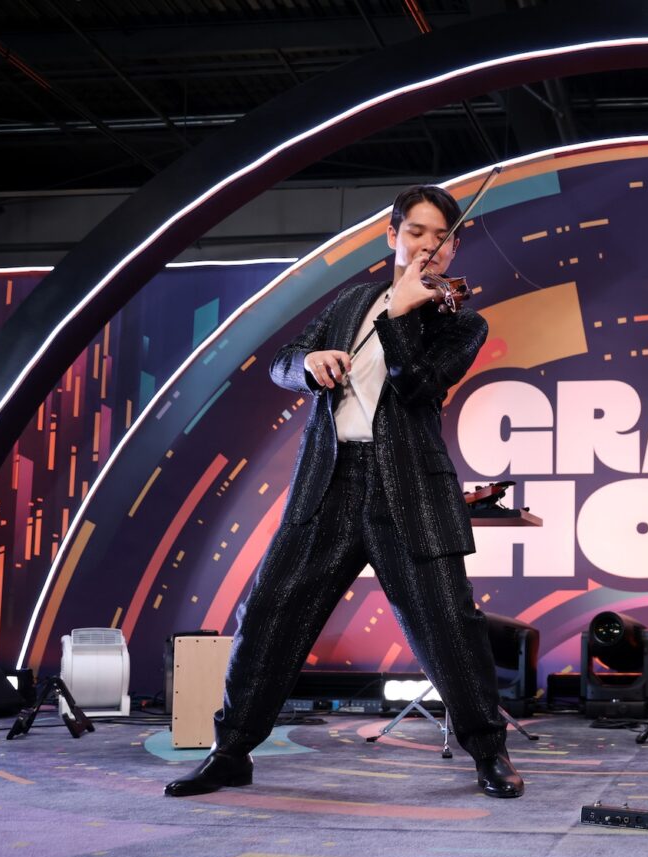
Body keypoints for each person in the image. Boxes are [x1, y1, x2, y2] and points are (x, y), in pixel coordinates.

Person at [165, 185, 522, 800]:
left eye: (441, 238)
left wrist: (401, 314)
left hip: (409, 488)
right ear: (392, 236)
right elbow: (282, 360)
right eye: (416, 233)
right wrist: (308, 366)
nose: (428, 247)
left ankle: (490, 753)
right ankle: (231, 752)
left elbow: (418, 385)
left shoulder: (461, 320)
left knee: (449, 625)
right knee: (270, 615)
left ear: (454, 247)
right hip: (329, 482)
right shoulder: (351, 301)